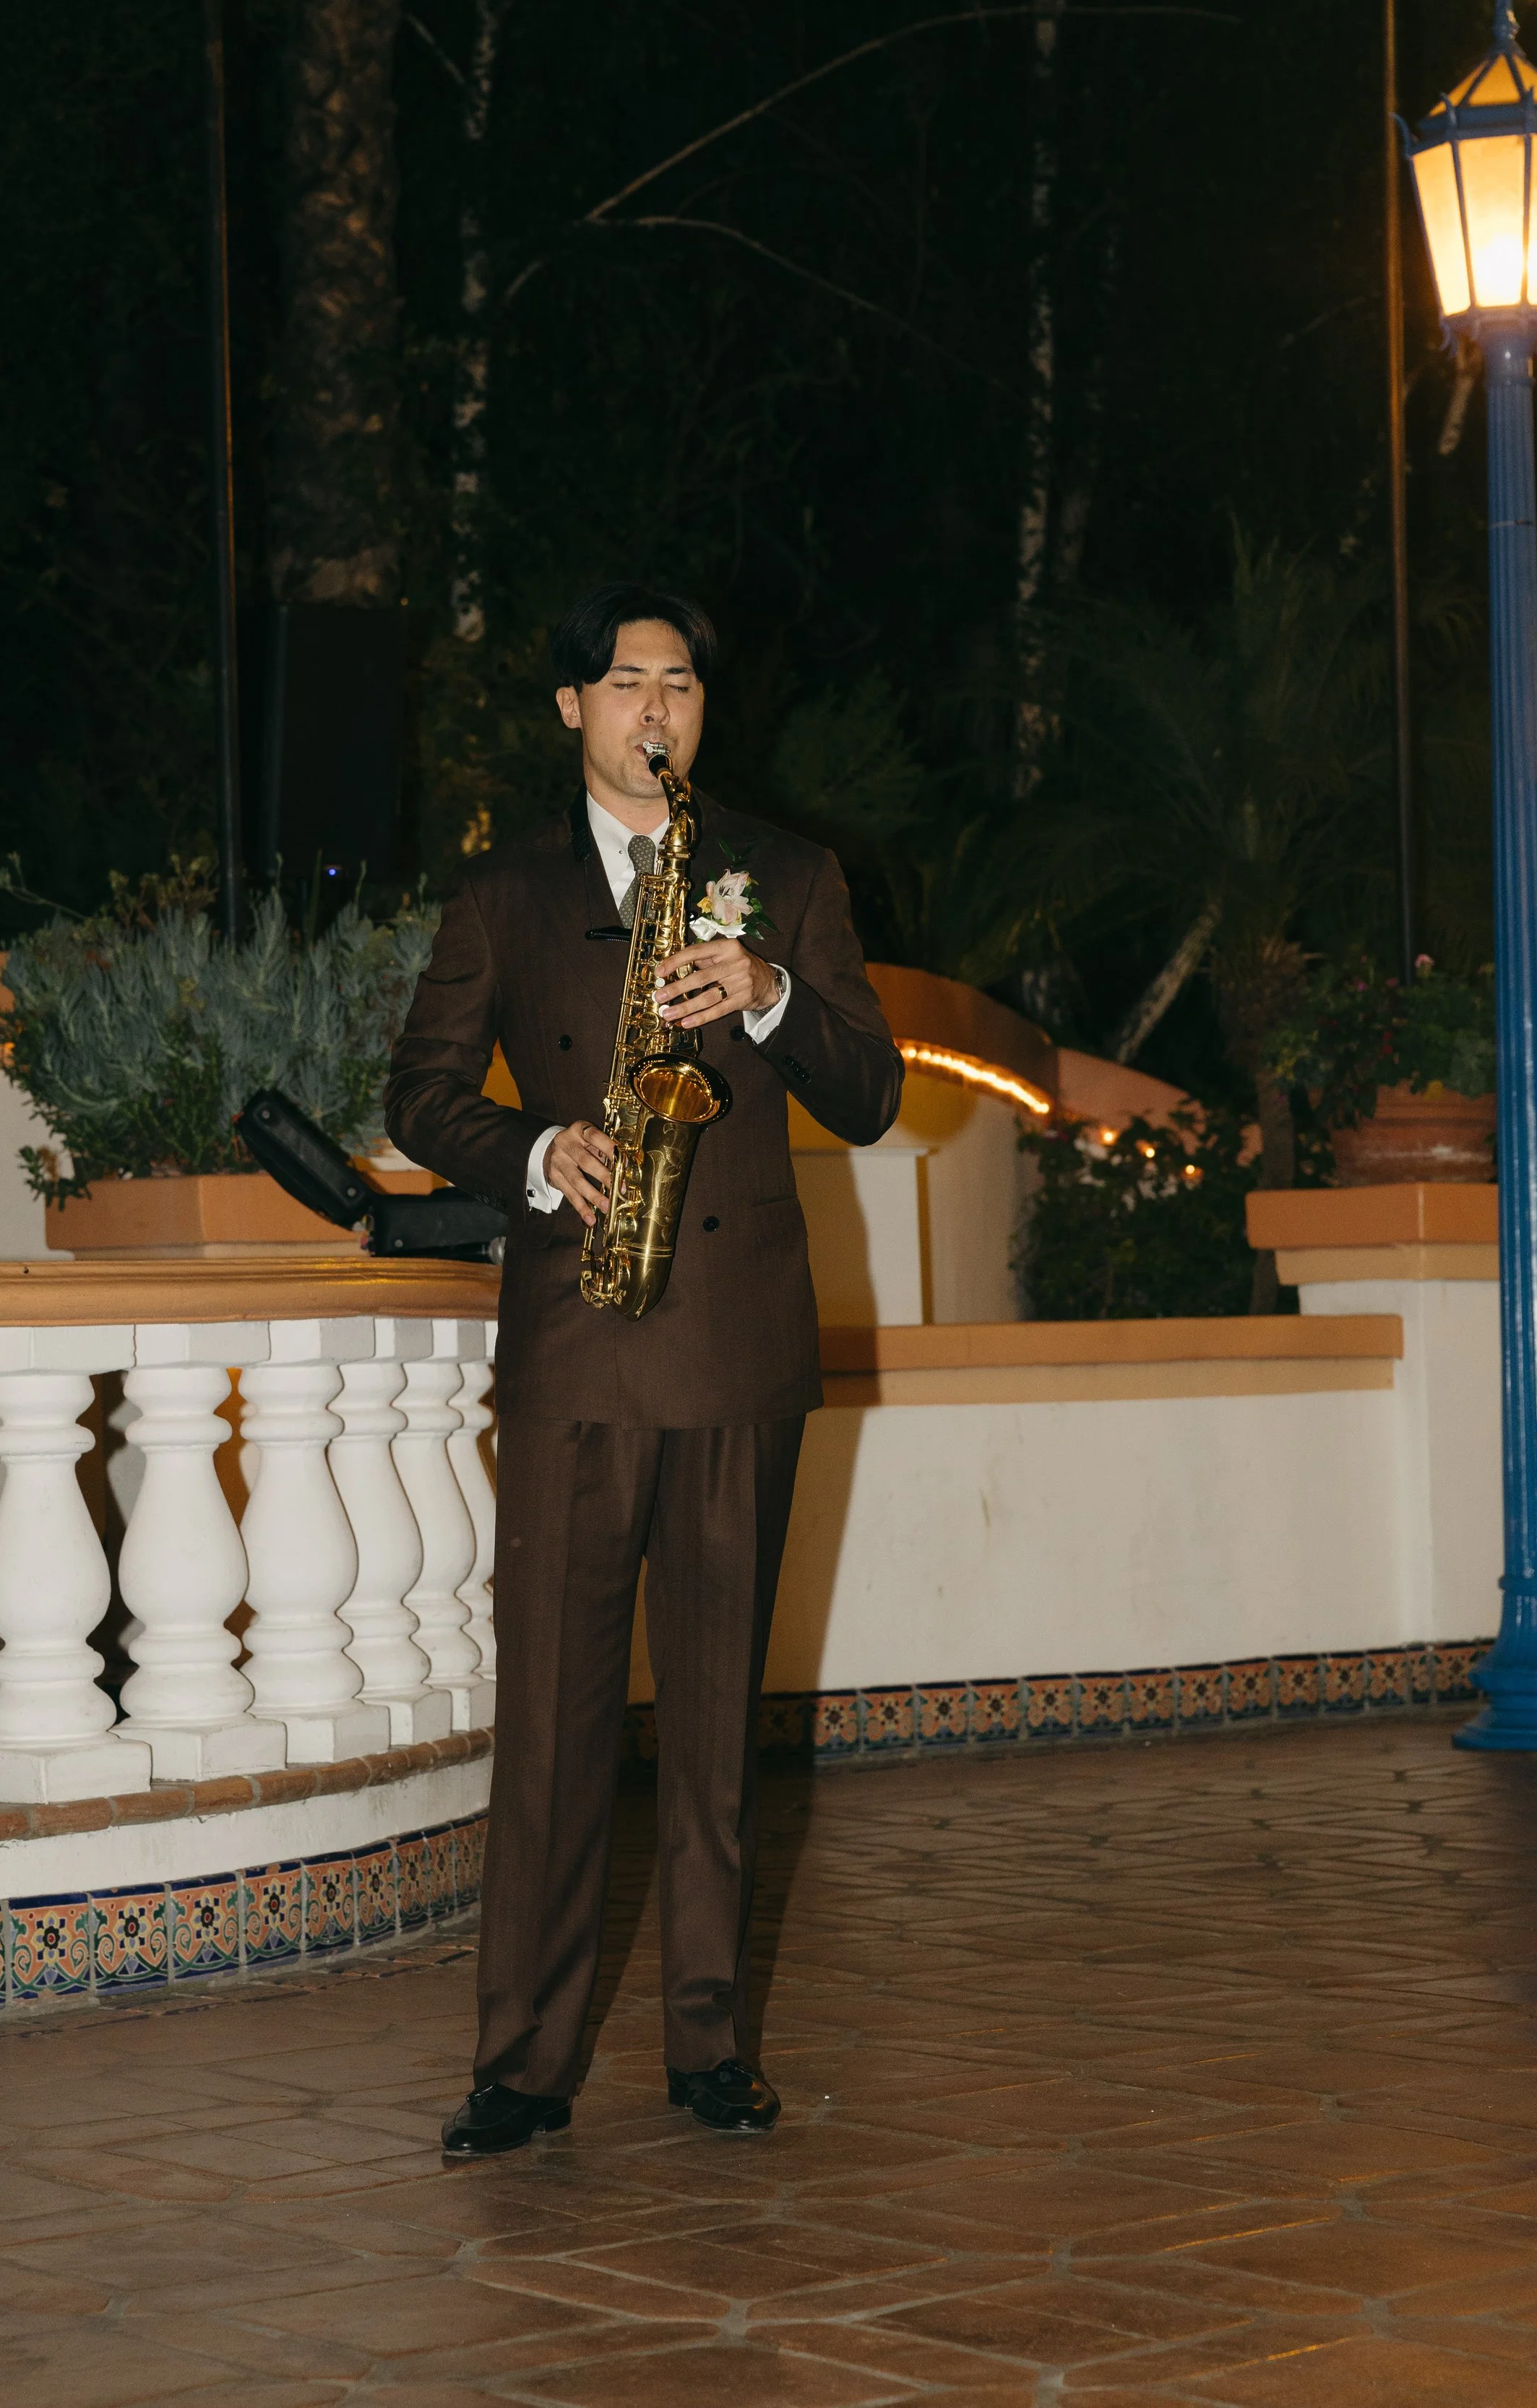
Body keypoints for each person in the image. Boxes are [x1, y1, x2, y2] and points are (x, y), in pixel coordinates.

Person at [384, 583, 903, 2153]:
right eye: (623, 683)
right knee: (548, 1724)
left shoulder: (786, 879)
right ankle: (520, 2066)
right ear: (570, 709)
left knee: (712, 1725)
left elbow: (873, 1092)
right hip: (573, 1344)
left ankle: (705, 2045)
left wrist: (774, 993)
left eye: (678, 684)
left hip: (738, 1346)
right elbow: (418, 1097)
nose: (653, 710)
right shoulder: (499, 898)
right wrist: (542, 1150)